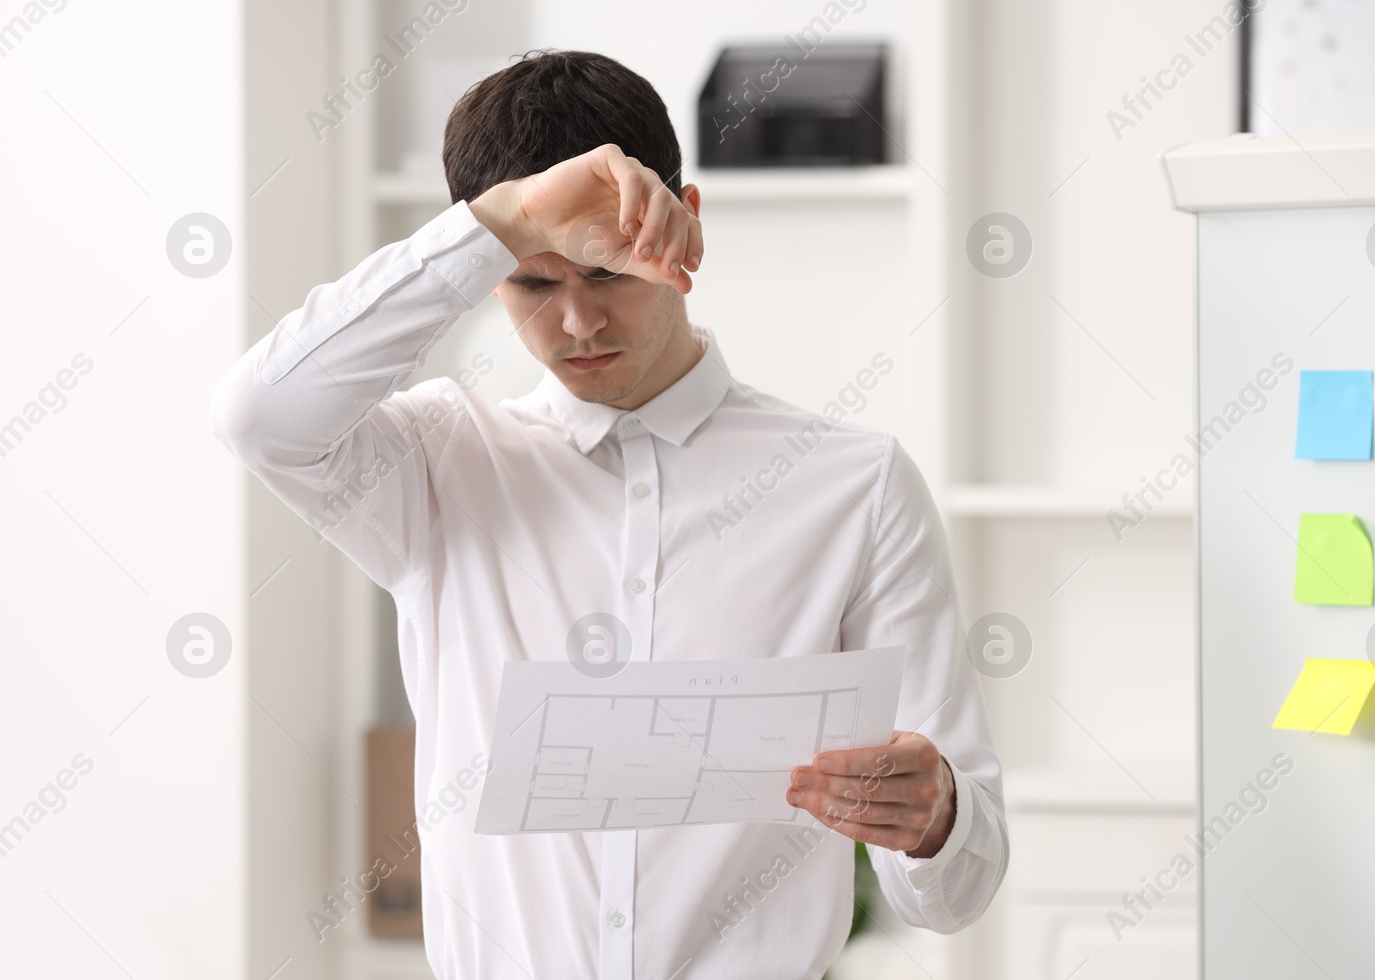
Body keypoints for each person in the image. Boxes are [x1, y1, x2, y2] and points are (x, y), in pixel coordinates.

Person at [210, 48, 1007, 979]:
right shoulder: (436, 464)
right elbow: (257, 416)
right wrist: (496, 226)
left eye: (608, 273)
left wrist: (937, 814)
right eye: (533, 284)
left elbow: (957, 890)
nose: (579, 324)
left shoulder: (855, 486)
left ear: (685, 227)